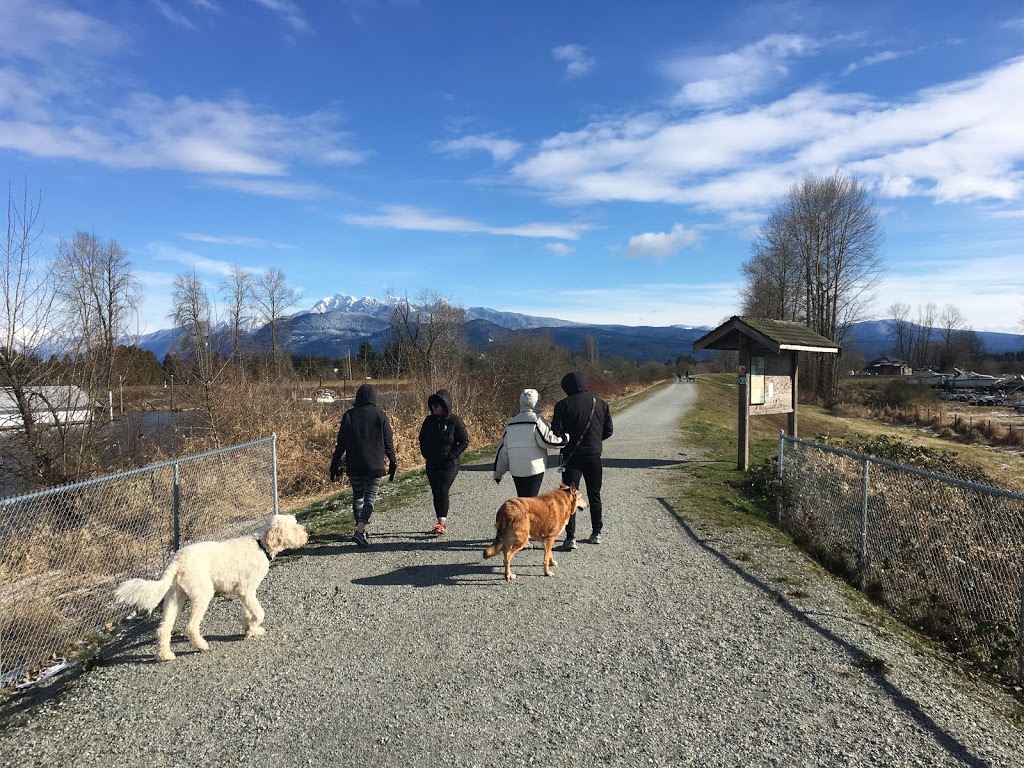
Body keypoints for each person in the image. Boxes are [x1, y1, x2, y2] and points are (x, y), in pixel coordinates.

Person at [329, 383, 397, 548]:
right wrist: (393, 462)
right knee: (370, 499)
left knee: (358, 496)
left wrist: (334, 463)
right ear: (374, 398)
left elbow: (341, 444)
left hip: (354, 465)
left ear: (358, 397)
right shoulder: (380, 415)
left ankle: (360, 528)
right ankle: (360, 531)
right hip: (374, 465)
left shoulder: (349, 415)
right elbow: (388, 443)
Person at [552, 371, 613, 550]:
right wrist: (594, 441)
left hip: (571, 457)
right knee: (595, 494)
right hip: (594, 455)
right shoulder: (601, 403)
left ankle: (571, 537)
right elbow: (608, 430)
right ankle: (596, 533)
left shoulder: (563, 405)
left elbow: (556, 431)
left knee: (569, 497)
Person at [492, 388, 566, 497]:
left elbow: (502, 450)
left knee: (522, 500)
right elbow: (548, 441)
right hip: (534, 468)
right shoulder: (537, 421)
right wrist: (564, 439)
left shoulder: (511, 423)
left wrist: (498, 473)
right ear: (537, 402)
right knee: (531, 502)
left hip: (516, 469)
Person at [418, 388, 470, 535]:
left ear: (445, 406)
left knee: (443, 489)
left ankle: (442, 522)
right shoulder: (429, 421)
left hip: (450, 463)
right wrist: (426, 454)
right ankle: (439, 520)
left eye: (437, 405)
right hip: (432, 462)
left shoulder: (455, 421)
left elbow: (464, 441)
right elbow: (422, 439)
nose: (434, 408)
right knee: (435, 491)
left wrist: (452, 455)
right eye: (432, 405)